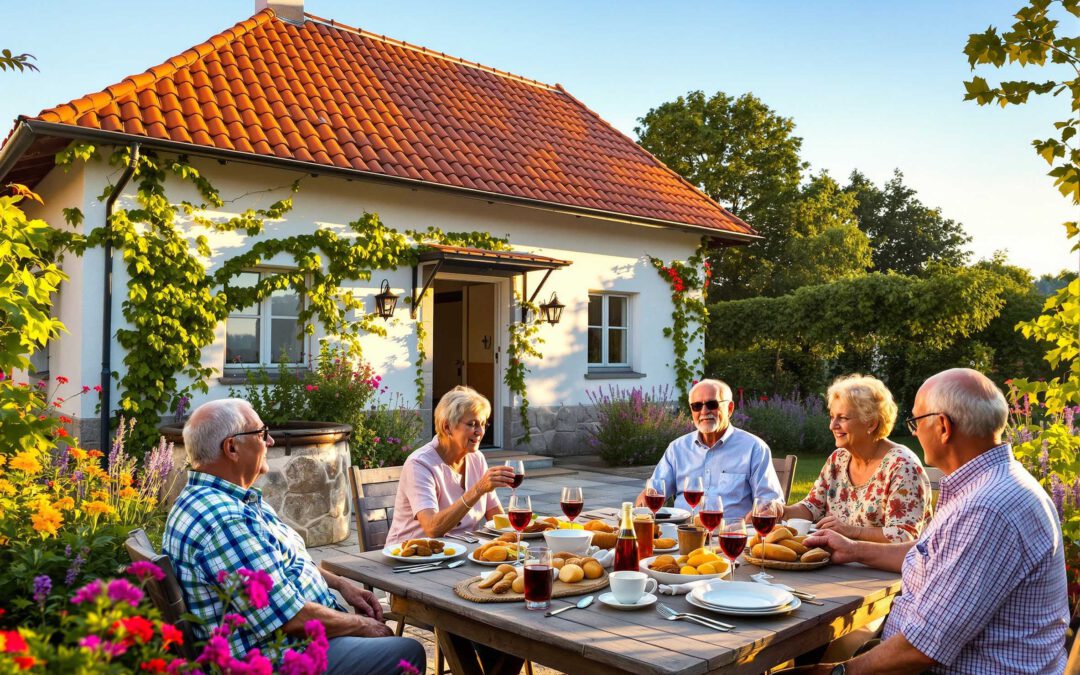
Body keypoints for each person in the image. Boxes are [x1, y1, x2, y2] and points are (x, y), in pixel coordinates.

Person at [804, 368, 1068, 674]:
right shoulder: (993, 484)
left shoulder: (985, 509)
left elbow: (920, 648)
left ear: (943, 426)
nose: (913, 433)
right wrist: (853, 549)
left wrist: (838, 673)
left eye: (916, 422)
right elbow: (936, 554)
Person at [164, 398, 425, 675]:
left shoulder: (224, 499)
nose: (271, 442)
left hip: (289, 640)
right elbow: (291, 617)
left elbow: (283, 559)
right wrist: (365, 626)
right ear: (231, 448)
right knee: (406, 652)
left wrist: (340, 584)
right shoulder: (225, 521)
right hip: (282, 656)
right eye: (261, 434)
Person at [783, 374, 932, 543]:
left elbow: (904, 536)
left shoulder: (902, 466)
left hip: (885, 568)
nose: (832, 426)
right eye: (832, 416)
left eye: (843, 418)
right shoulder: (838, 459)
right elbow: (812, 506)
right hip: (840, 563)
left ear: (871, 423)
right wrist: (781, 512)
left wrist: (851, 532)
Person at [636, 378, 783, 517]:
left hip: (731, 537)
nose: (704, 411)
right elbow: (656, 491)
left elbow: (770, 501)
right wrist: (647, 495)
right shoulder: (677, 449)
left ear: (730, 408)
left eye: (712, 404)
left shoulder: (754, 448)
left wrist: (769, 508)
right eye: (697, 406)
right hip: (682, 534)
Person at [387, 385, 513, 541]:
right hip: (413, 556)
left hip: (461, 554)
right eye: (472, 424)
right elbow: (432, 528)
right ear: (447, 427)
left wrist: (521, 534)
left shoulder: (477, 458)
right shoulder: (419, 464)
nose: (480, 432)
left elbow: (495, 516)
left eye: (483, 424)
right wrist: (478, 489)